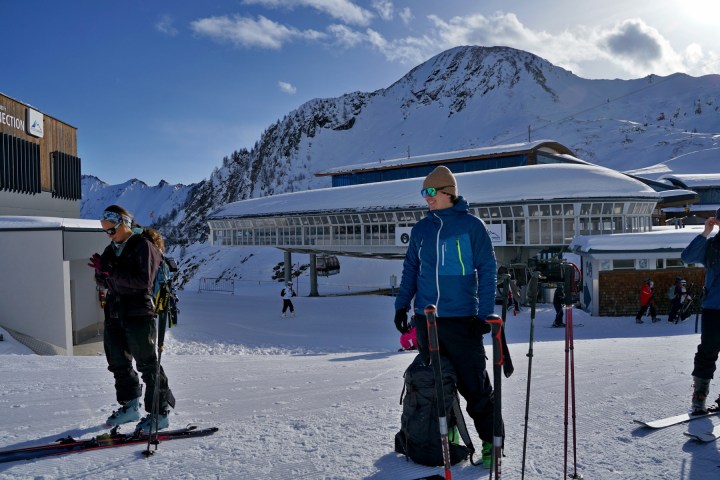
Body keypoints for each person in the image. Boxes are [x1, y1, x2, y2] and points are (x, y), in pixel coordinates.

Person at [393, 165, 498, 467]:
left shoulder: (471, 226)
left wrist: (484, 312)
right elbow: (411, 268)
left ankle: (492, 443)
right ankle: (448, 437)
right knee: (436, 384)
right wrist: (402, 306)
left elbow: (488, 269)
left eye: (430, 192)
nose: (426, 198)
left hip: (462, 319)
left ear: (448, 193)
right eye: (423, 192)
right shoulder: (422, 230)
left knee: (475, 386)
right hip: (427, 319)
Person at [89, 205, 176, 432]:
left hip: (139, 313)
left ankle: (160, 412)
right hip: (115, 312)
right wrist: (102, 272)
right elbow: (105, 282)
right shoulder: (112, 248)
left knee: (147, 364)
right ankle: (130, 407)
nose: (109, 235)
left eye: (112, 230)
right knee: (117, 362)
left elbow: (142, 282)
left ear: (125, 224)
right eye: (106, 231)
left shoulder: (143, 246)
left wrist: (111, 271)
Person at [682, 215, 720, 414]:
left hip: (713, 306)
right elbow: (687, 257)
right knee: (707, 352)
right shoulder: (712, 246)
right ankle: (699, 397)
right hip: (713, 308)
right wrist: (705, 233)